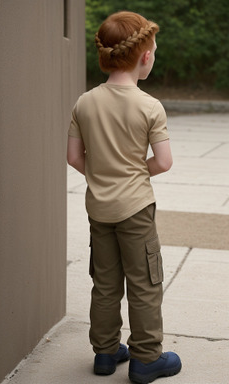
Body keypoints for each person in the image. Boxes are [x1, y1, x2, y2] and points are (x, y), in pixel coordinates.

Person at [67, 10, 182, 384]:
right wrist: (132, 173)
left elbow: (73, 157)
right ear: (144, 56)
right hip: (135, 210)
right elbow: (163, 162)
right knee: (145, 283)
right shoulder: (149, 106)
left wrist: (103, 175)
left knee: (105, 281)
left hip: (98, 210)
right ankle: (146, 358)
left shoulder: (85, 102)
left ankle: (104, 352)